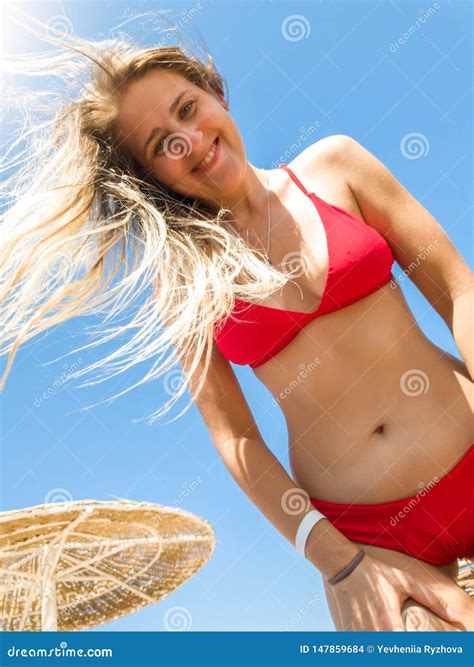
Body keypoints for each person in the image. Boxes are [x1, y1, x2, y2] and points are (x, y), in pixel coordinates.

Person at [1, 21, 473, 631]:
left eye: (188, 108)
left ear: (216, 92)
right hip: (370, 536)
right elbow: (237, 440)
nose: (190, 142)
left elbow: (456, 289)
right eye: (159, 144)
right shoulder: (185, 282)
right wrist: (339, 563)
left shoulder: (336, 166)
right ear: (153, 177)